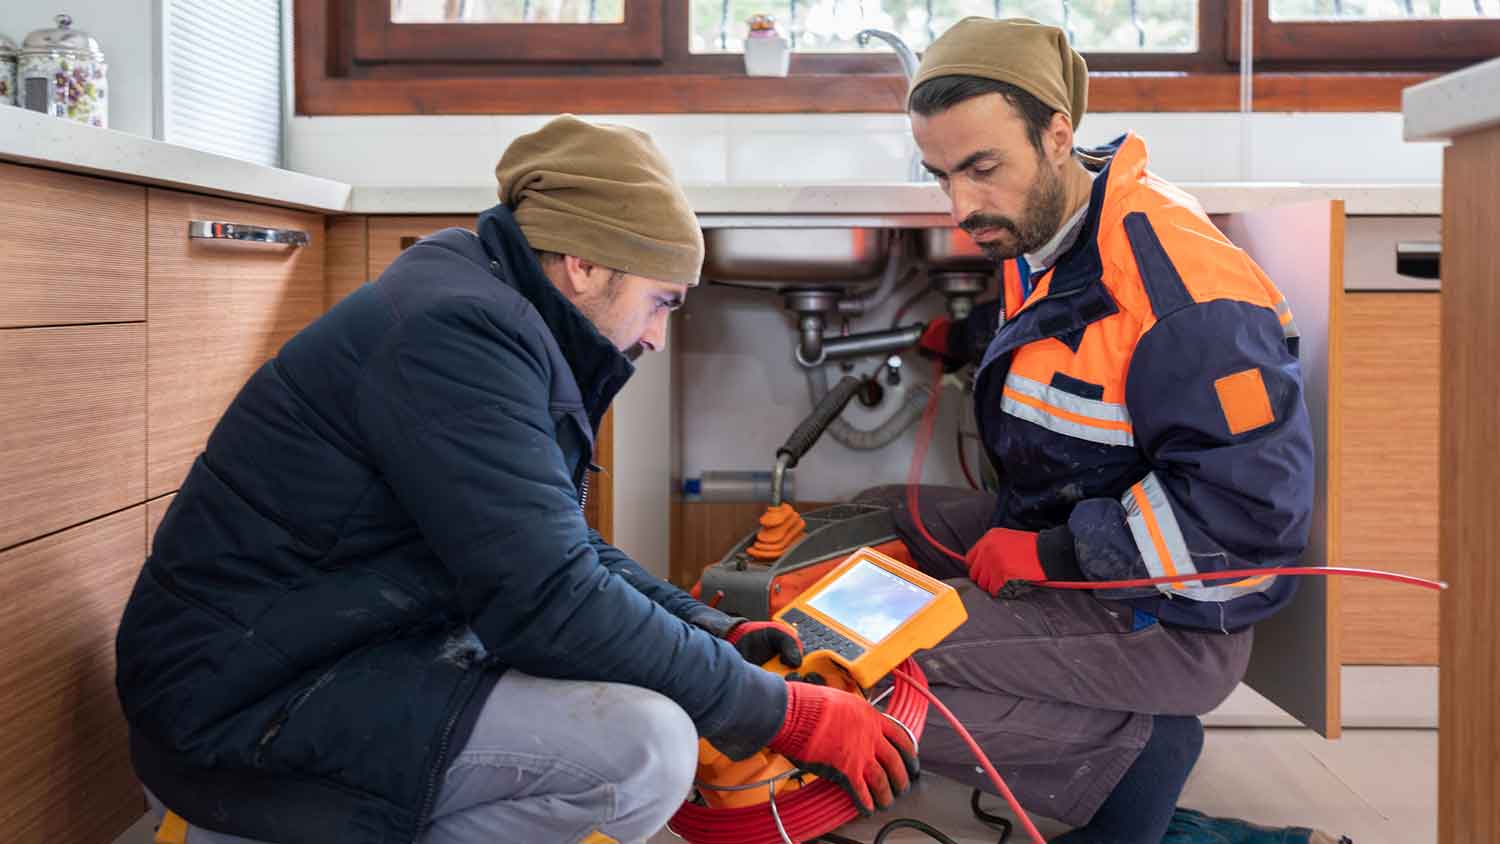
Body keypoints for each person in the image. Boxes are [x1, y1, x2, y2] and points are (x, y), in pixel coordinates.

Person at [114, 115, 916, 844]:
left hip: (318, 654)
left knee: (650, 704)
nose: (660, 338)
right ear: (583, 263)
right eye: (661, 302)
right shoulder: (455, 336)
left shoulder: (487, 308)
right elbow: (550, 602)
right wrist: (787, 714)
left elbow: (557, 552)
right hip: (241, 704)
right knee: (644, 748)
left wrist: (719, 636)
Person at [879, 16, 1339, 844]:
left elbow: (1248, 520)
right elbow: (1090, 364)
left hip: (1174, 618)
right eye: (941, 174)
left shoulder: (1185, 295)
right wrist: (984, 338)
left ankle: (1133, 761)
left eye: (982, 168)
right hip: (1083, 538)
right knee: (874, 518)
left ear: (1058, 132)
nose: (960, 208)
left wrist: (1049, 556)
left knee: (874, 660)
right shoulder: (1053, 221)